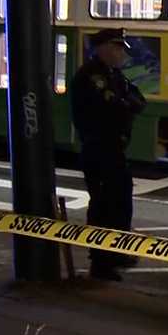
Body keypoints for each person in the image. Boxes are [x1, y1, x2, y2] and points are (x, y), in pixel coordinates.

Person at [71, 28, 147, 281]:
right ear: (104, 48)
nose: (122, 53)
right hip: (99, 148)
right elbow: (113, 109)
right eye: (118, 48)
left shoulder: (115, 76)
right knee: (103, 206)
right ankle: (101, 262)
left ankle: (118, 251)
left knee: (121, 203)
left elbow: (138, 101)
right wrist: (124, 105)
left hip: (115, 149)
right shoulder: (91, 77)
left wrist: (125, 104)